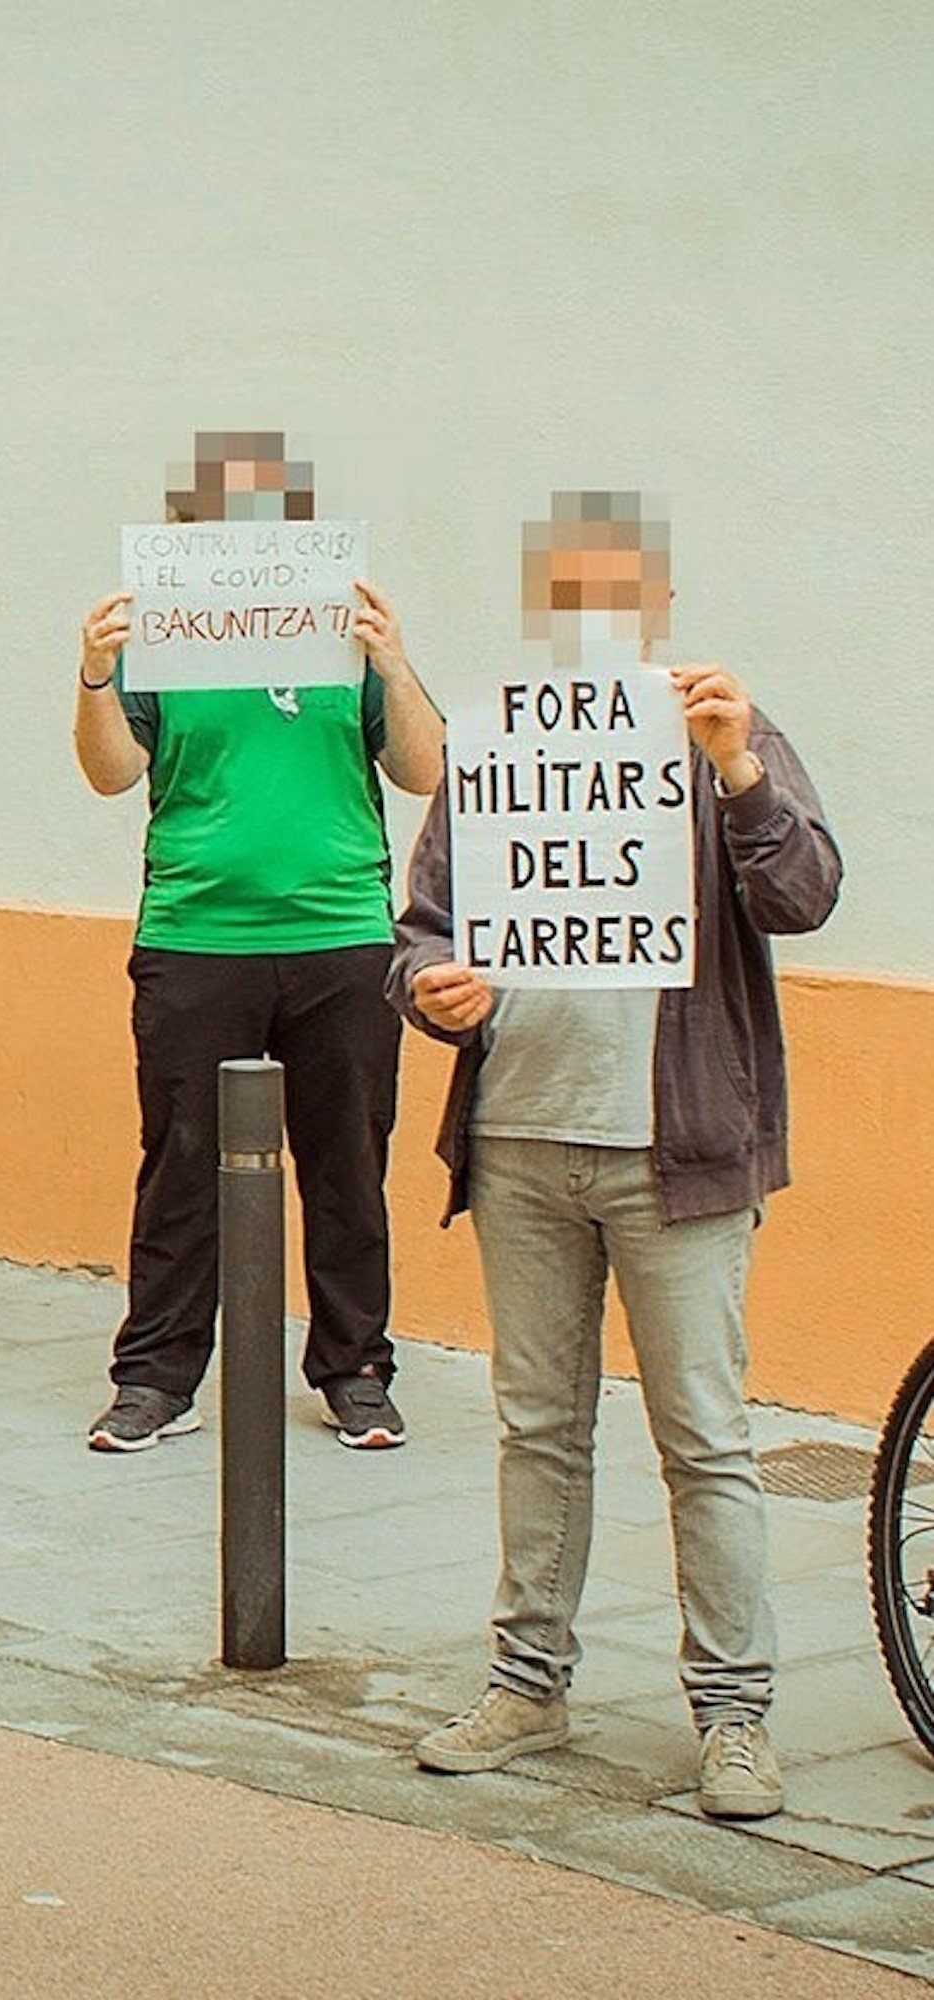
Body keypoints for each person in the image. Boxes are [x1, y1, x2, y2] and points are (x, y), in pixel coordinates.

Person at [396, 493, 836, 1823]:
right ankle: (525, 1684)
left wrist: (738, 766)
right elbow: (414, 933)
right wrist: (429, 990)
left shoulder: (717, 729)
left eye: (611, 594)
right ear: (543, 608)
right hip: (523, 1141)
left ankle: (733, 1718)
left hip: (675, 1152)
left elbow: (801, 894)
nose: (588, 619)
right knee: (536, 1428)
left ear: (648, 603)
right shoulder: (496, 749)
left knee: (701, 1438)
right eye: (565, 594)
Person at [69, 433, 443, 1454]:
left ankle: (355, 1369)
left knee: (345, 1163)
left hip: (340, 934)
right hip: (195, 934)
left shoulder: (342, 632)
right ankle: (154, 1375)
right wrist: (94, 674)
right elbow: (108, 773)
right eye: (214, 521)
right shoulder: (157, 639)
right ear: (182, 536)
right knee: (179, 1162)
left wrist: (393, 663)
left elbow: (421, 768)